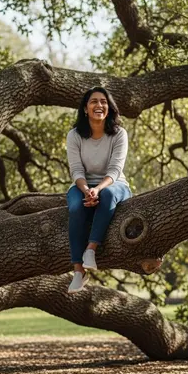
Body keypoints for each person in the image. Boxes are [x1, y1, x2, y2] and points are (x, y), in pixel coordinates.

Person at [66, 86, 131, 294]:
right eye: (94, 101)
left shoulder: (119, 134)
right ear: (85, 108)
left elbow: (115, 169)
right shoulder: (75, 135)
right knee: (76, 206)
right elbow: (76, 170)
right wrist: (86, 190)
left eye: (103, 102)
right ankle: (78, 271)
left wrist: (98, 190)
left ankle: (91, 250)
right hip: (83, 185)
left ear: (109, 108)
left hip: (114, 184)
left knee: (108, 195)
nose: (99, 105)